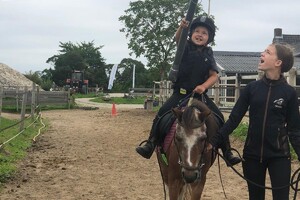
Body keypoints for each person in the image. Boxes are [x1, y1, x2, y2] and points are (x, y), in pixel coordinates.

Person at [136, 15, 241, 166]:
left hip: (200, 96)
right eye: (197, 31)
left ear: (209, 38)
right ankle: (151, 143)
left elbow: (214, 76)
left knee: (219, 117)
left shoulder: (208, 53)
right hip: (181, 94)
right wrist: (182, 28)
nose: (200, 34)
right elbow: (178, 38)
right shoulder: (184, 47)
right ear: (191, 33)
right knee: (162, 113)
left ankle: (227, 151)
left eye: (204, 33)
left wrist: (204, 86)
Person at [210, 43, 300, 200]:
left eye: (267, 52)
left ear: (278, 62)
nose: (262, 54)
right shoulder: (251, 88)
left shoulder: (289, 93)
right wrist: (214, 141)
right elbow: (234, 119)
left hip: (279, 156)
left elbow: (294, 130)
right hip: (252, 155)